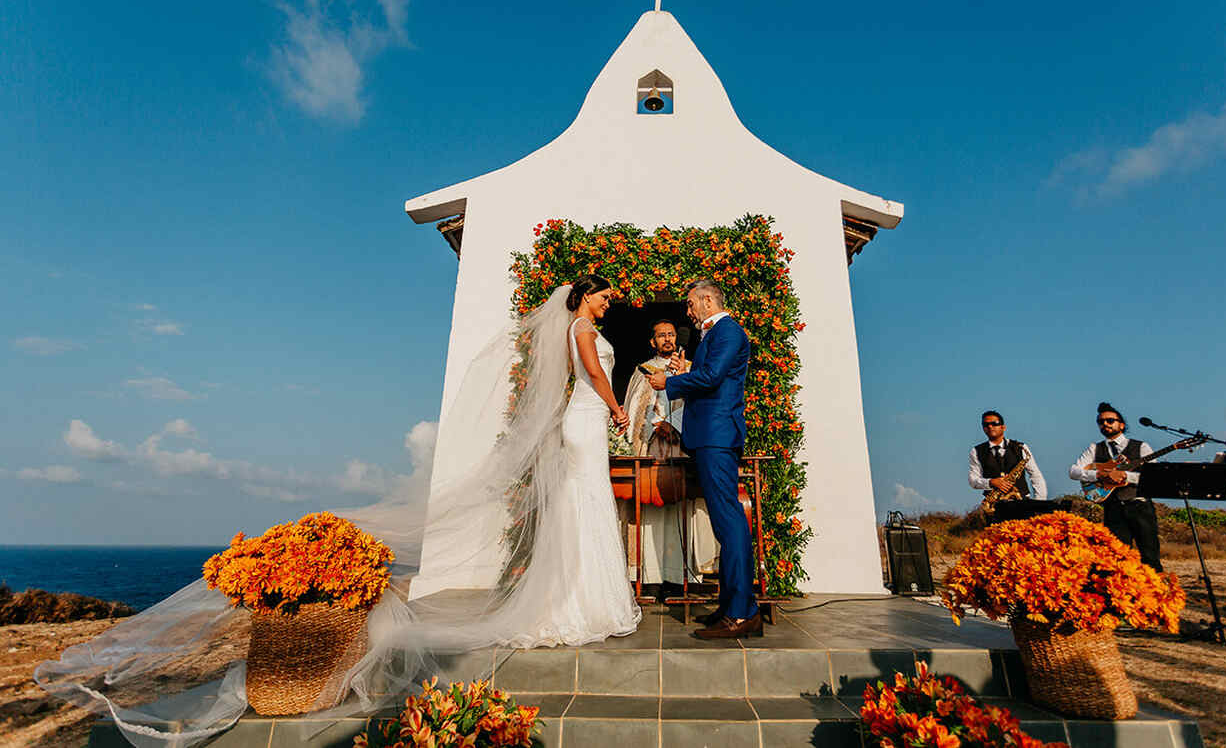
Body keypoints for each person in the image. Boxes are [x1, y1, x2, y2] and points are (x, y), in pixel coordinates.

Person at [36, 276, 642, 746]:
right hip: (588, 419)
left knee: (581, 505)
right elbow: (591, 374)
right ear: (582, 300)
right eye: (603, 296)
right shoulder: (582, 333)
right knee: (583, 502)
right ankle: (580, 601)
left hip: (583, 422)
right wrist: (616, 408)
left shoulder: (583, 328)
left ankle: (583, 596)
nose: (608, 302)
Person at [648, 279, 760, 639]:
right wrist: (685, 373)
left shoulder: (728, 332)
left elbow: (712, 379)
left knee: (730, 523)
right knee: (725, 524)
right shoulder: (713, 336)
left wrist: (671, 382)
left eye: (691, 303)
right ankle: (730, 607)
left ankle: (742, 613)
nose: (688, 310)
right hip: (708, 437)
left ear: (707, 300)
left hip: (717, 437)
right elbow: (709, 376)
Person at [621, 319, 715, 594]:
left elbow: (698, 403)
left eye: (671, 334)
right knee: (649, 506)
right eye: (661, 335)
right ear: (652, 341)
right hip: (651, 447)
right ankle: (647, 573)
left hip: (682, 445)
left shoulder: (691, 368)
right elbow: (636, 408)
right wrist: (653, 426)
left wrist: (675, 424)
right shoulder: (643, 372)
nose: (667, 339)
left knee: (683, 506)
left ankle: (685, 574)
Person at [1069, 401, 1163, 570]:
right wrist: (1100, 474)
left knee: (1150, 557)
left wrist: (1127, 476)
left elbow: (1154, 477)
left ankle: (1157, 593)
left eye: (1110, 420)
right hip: (1112, 508)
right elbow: (1074, 471)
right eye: (1101, 422)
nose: (1105, 424)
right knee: (1117, 558)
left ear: (1122, 424)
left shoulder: (1141, 447)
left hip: (1139, 506)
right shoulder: (1094, 448)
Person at [968, 410, 1048, 504]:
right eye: (986, 425)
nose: (990, 426)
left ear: (1003, 427)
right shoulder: (976, 451)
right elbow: (973, 480)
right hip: (994, 504)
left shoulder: (1020, 447)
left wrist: (1040, 502)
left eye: (994, 423)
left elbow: (1035, 475)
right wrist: (990, 482)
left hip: (1021, 502)